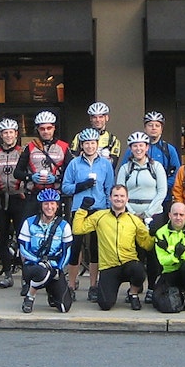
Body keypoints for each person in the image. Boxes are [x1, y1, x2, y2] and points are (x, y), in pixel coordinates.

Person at [71, 184, 154, 311]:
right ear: (110, 198)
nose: (118, 199)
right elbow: (78, 229)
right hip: (108, 267)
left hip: (128, 263)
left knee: (139, 270)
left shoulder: (134, 220)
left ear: (127, 199)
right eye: (115, 195)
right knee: (105, 304)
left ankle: (133, 293)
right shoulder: (100, 216)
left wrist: (153, 234)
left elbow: (147, 244)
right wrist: (83, 209)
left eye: (122, 196)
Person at [62, 127, 114, 303]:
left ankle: (93, 285)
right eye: (86, 143)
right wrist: (81, 186)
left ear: (97, 145)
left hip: (99, 209)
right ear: (82, 145)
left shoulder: (106, 164)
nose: (90, 146)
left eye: (93, 143)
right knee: (75, 247)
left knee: (95, 249)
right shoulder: (74, 163)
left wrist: (109, 211)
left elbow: (109, 189)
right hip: (79, 210)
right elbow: (65, 187)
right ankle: (71, 284)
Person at [116, 130, 168, 303]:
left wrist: (147, 213)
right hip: (131, 213)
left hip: (153, 213)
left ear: (147, 147)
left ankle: (153, 287)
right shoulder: (126, 168)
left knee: (154, 253)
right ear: (131, 148)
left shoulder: (156, 167)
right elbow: (120, 191)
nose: (138, 148)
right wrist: (130, 211)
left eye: (141, 145)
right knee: (134, 253)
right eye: (135, 146)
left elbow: (162, 191)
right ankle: (135, 288)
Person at [18, 189, 74, 313]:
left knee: (65, 307)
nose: (49, 207)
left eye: (52, 204)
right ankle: (30, 297)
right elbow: (23, 249)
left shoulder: (64, 226)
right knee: (42, 272)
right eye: (46, 204)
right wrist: (38, 261)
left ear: (57, 206)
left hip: (54, 267)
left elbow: (67, 251)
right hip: (33, 265)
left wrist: (59, 269)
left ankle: (52, 292)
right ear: (41, 206)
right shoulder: (29, 223)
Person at [117, 111, 180, 211]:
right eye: (150, 125)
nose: (153, 128)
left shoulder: (169, 149)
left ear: (161, 129)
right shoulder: (133, 150)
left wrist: (161, 185)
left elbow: (177, 173)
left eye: (157, 125)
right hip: (135, 202)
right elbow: (123, 171)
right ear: (145, 128)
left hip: (164, 199)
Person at [13, 111, 71, 220]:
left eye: (49, 128)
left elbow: (72, 174)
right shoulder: (29, 147)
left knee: (56, 231)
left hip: (55, 196)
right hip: (33, 196)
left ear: (54, 128)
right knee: (28, 229)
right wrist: (31, 177)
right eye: (42, 128)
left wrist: (57, 179)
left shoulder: (63, 147)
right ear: (37, 129)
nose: (46, 131)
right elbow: (17, 173)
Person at [0, 118, 27, 289]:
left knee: (23, 238)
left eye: (11, 132)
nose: (8, 135)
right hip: (1, 200)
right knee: (2, 238)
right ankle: (7, 273)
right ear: (1, 135)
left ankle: (26, 275)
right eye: (5, 133)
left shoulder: (22, 152)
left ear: (16, 134)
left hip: (19, 199)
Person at [152, 201, 185, 311]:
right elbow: (162, 261)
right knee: (157, 300)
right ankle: (180, 294)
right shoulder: (160, 233)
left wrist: (169, 250)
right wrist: (175, 254)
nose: (178, 218)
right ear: (169, 215)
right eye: (175, 214)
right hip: (170, 271)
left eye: (181, 214)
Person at [70, 101, 122, 166]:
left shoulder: (113, 140)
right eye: (94, 117)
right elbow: (73, 161)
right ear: (91, 119)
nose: (98, 120)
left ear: (107, 118)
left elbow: (112, 165)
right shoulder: (79, 137)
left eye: (101, 117)